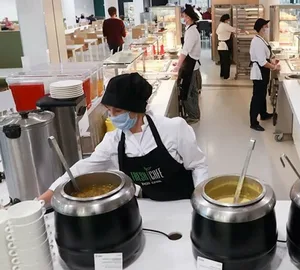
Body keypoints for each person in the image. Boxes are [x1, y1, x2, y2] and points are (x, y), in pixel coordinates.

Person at [38, 73, 208, 203]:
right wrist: (44, 199)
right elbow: (81, 169)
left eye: (118, 111)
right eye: (108, 110)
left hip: (184, 202)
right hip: (149, 204)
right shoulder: (114, 141)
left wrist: (201, 202)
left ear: (137, 109)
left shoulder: (173, 128)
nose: (112, 116)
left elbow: (198, 165)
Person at [249, 18, 280, 132]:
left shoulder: (261, 39)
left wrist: (272, 61)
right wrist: (274, 67)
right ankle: (253, 122)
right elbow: (262, 62)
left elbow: (265, 56)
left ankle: (263, 113)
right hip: (259, 73)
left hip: (263, 71)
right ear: (261, 28)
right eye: (266, 26)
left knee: (262, 95)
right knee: (257, 97)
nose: (267, 28)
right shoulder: (257, 42)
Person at [173, 5, 201, 124]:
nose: (183, 19)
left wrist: (178, 66)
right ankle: (195, 114)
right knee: (193, 92)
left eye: (184, 16)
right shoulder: (191, 29)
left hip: (191, 67)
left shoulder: (192, 32)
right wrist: (179, 62)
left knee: (187, 93)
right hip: (192, 65)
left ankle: (193, 116)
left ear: (189, 17)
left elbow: (185, 51)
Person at [216, 14, 236, 80]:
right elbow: (234, 30)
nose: (229, 20)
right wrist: (243, 31)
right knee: (227, 62)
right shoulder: (225, 25)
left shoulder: (220, 25)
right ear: (226, 19)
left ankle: (222, 74)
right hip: (225, 46)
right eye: (228, 19)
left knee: (222, 61)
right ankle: (226, 76)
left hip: (219, 46)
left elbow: (217, 32)